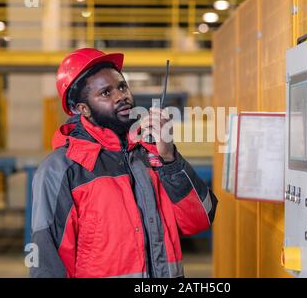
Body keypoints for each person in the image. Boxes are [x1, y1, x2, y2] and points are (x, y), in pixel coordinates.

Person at [30, 48, 218, 278]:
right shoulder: (61, 169)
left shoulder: (152, 153)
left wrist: (169, 159)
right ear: (82, 109)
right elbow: (48, 263)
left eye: (121, 86)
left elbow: (199, 220)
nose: (121, 96)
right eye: (106, 93)